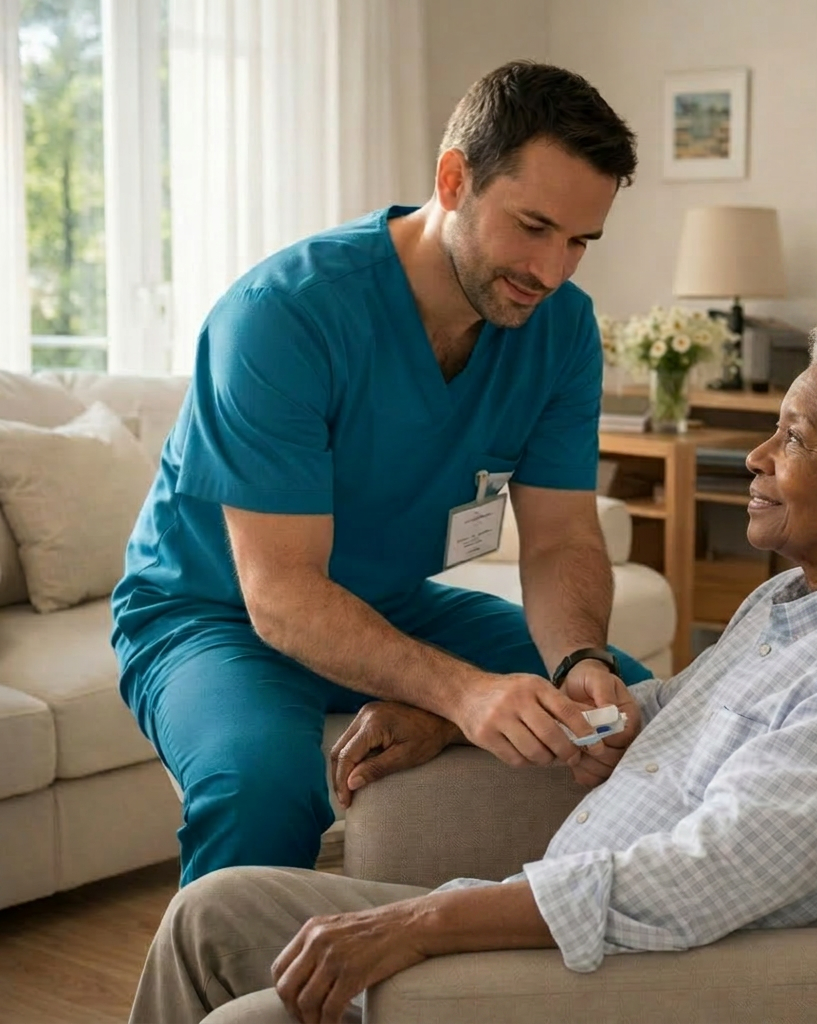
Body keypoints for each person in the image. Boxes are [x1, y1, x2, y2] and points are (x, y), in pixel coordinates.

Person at [130, 306, 817, 1024]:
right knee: (210, 911)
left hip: (633, 971)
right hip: (552, 908)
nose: (755, 457)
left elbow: (707, 874)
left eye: (794, 438)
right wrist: (450, 718)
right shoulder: (794, 603)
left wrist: (425, 921)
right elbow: (666, 706)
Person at [110, 61, 650, 886]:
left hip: (385, 604)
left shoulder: (562, 330)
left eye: (580, 241)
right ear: (453, 178)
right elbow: (283, 596)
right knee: (262, 792)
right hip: (212, 612)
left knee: (635, 705)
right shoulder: (282, 316)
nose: (552, 270)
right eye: (533, 226)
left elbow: (560, 539)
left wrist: (580, 661)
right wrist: (465, 697)